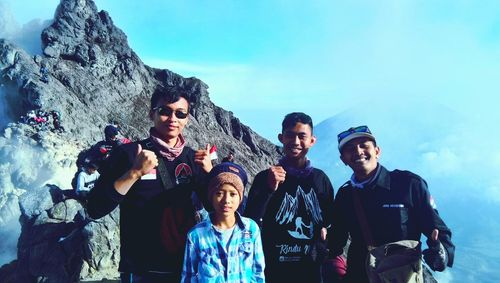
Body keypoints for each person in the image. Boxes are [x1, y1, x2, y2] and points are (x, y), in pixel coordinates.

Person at [86, 85, 213, 283]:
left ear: (187, 119)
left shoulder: (194, 159)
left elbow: (216, 210)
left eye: (180, 114)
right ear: (151, 113)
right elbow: (95, 208)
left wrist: (209, 174)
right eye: (164, 111)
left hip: (186, 267)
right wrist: (134, 172)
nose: (173, 119)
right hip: (141, 270)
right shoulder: (128, 154)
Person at [327, 125, 455, 282]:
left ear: (377, 151)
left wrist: (441, 252)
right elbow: (336, 240)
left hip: (402, 276)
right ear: (343, 159)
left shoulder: (408, 184)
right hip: (360, 276)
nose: (358, 151)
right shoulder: (345, 195)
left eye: (364, 146)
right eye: (350, 149)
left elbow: (438, 231)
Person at [244, 112, 335, 283]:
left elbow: (331, 219)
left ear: (312, 141)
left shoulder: (320, 179)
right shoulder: (265, 178)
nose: (295, 142)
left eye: (302, 136)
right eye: (290, 135)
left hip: (312, 270)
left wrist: (325, 244)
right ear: (281, 138)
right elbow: (250, 221)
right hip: (275, 270)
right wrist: (269, 189)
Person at [181, 162, 265, 282]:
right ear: (211, 196)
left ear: (240, 198)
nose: (226, 200)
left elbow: (258, 272)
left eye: (233, 194)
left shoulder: (251, 229)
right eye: (219, 193)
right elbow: (189, 277)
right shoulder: (196, 235)